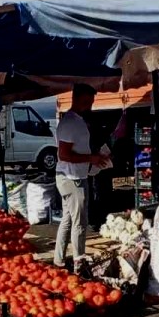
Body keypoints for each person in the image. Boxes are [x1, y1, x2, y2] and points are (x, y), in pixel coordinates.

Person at [54, 84, 109, 269]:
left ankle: (59, 260)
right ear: (76, 98)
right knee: (80, 222)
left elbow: (75, 150)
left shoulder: (76, 121)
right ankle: (79, 262)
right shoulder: (70, 123)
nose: (90, 106)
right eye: (87, 102)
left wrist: (94, 157)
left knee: (68, 219)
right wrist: (91, 158)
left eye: (91, 102)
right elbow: (64, 154)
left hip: (72, 176)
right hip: (72, 178)